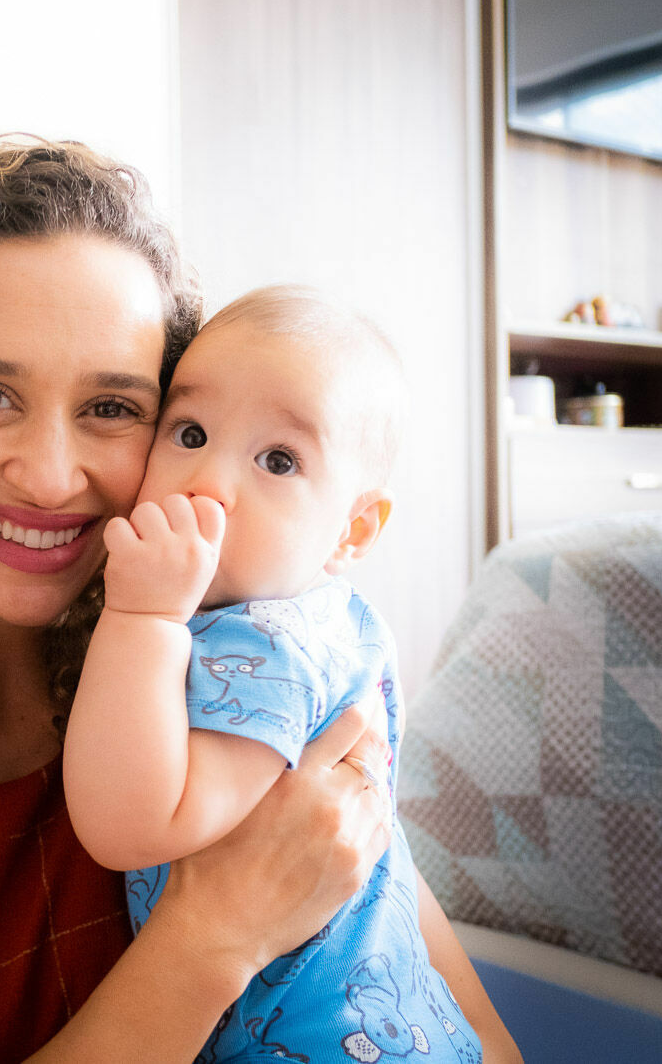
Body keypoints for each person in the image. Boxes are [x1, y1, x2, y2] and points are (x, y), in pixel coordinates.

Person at [0, 139, 515, 1062]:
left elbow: (474, 1033)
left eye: (112, 407)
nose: (48, 475)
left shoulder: (238, 684)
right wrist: (216, 934)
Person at [64, 285, 506, 1061]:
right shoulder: (325, 619)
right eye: (190, 431)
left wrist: (142, 617)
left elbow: (128, 823)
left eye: (278, 459)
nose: (208, 483)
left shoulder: (272, 647)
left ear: (352, 528)